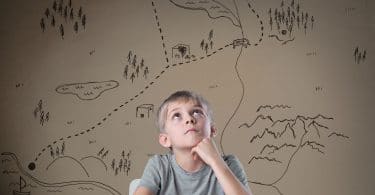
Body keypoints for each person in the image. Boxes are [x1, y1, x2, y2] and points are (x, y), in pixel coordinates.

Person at [134, 90, 252, 195]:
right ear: (165, 139)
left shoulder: (229, 164)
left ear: (212, 130)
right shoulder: (159, 166)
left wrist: (216, 161)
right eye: (176, 115)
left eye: (196, 112)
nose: (189, 119)